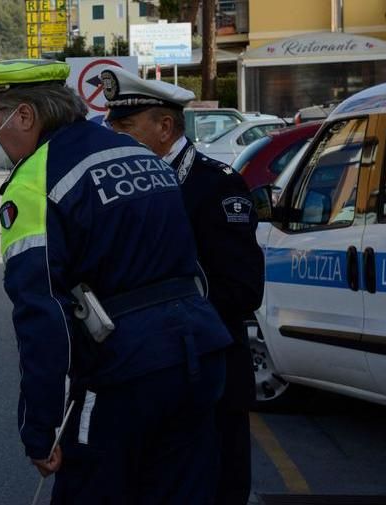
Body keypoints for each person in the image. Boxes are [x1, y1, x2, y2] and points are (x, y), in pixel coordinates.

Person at [0, 56, 233, 504]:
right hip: (201, 358)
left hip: (125, 377)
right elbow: (193, 266)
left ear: (24, 115)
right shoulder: (137, 153)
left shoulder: (33, 181)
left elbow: (43, 313)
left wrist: (41, 426)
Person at [101, 65, 265, 505]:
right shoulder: (120, 187)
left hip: (210, 374)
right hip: (146, 375)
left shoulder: (215, 186)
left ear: (165, 126)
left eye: (126, 126)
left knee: (216, 490)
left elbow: (243, 288)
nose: (114, 136)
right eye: (112, 125)